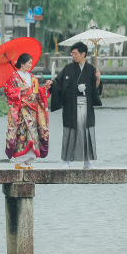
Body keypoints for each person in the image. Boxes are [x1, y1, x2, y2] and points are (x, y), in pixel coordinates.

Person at [46, 41, 102, 169]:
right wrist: (51, 85)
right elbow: (58, 84)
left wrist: (98, 79)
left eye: (75, 53)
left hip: (86, 106)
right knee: (69, 133)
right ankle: (66, 161)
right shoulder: (68, 69)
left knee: (87, 133)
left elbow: (96, 90)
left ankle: (87, 161)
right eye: (72, 53)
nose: (73, 56)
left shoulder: (91, 70)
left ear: (83, 54)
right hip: (71, 107)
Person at [4, 53, 49, 170]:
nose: (31, 64)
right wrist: (20, 89)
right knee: (21, 134)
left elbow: (37, 93)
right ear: (22, 63)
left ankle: (28, 159)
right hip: (21, 110)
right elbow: (8, 91)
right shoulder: (14, 76)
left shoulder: (32, 77)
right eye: (29, 62)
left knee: (32, 134)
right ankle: (19, 160)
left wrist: (45, 89)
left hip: (32, 110)